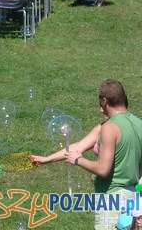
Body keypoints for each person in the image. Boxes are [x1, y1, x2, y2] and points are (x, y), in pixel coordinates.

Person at [32, 80, 142, 230]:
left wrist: (79, 160)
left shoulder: (110, 127)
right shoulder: (138, 124)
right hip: (132, 199)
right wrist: (47, 159)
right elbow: (77, 147)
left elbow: (103, 169)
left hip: (111, 199)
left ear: (104, 100)